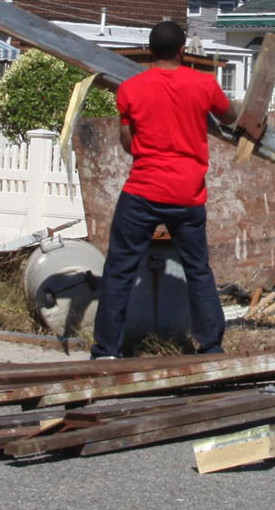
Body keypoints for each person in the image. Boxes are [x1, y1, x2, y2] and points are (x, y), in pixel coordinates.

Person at [93, 20, 235, 359]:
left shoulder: (130, 89)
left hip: (143, 190)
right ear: (183, 50)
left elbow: (128, 143)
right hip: (187, 194)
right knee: (197, 268)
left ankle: (106, 351)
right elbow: (229, 117)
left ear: (149, 51)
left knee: (119, 269)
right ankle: (211, 345)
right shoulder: (205, 84)